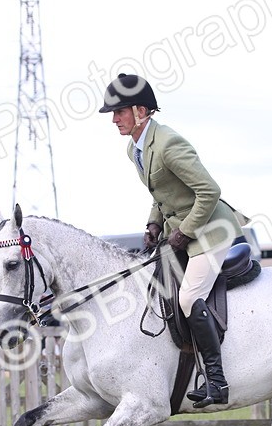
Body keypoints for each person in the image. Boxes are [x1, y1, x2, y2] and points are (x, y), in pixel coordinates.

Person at [100, 72, 248, 408]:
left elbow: (209, 191)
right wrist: (154, 223)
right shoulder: (134, 148)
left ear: (140, 111)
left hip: (211, 230)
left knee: (189, 297)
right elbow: (162, 193)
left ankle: (217, 381)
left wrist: (185, 231)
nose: (114, 119)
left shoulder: (168, 143)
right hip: (179, 229)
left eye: (119, 112)